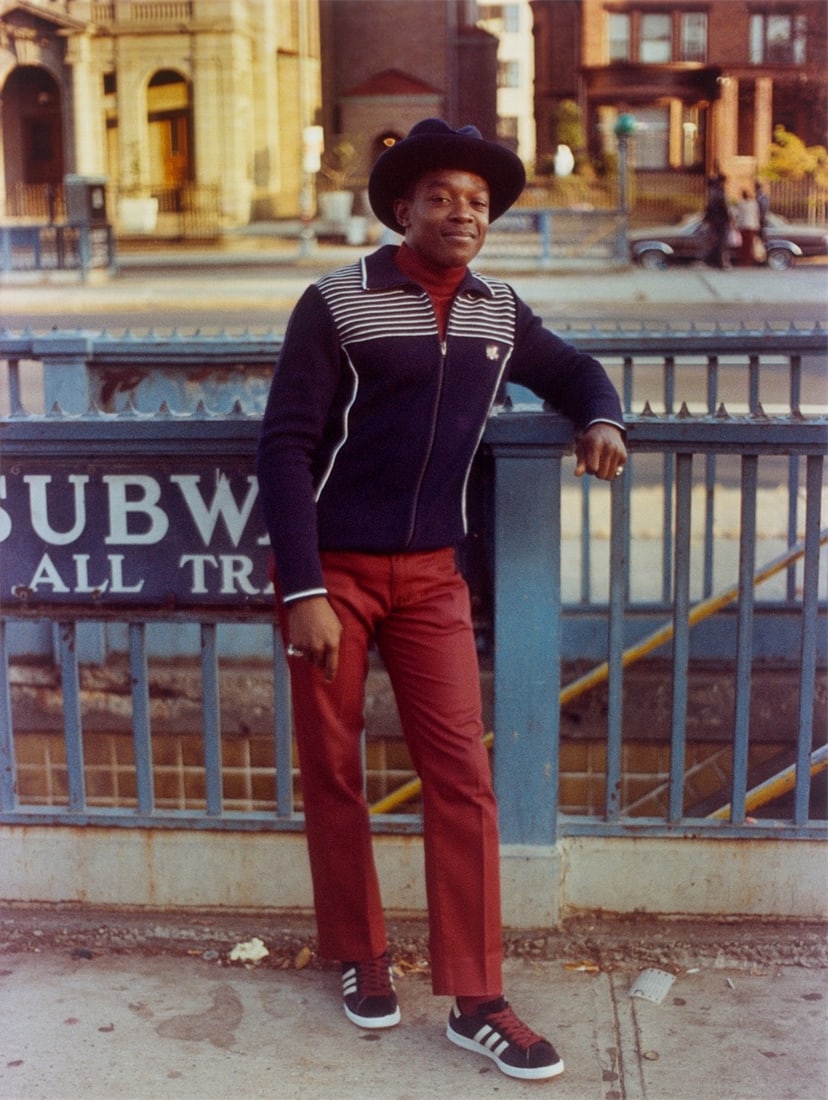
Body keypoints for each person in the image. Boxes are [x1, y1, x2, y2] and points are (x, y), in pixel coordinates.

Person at [256, 118, 626, 1082]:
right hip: (330, 571)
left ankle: (477, 997)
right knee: (334, 768)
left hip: (431, 577)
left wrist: (599, 417)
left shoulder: (500, 311)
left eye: (478, 201)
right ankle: (362, 958)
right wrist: (302, 587)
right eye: (441, 197)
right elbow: (286, 446)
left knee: (461, 777)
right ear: (402, 209)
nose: (463, 212)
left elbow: (573, 370)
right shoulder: (338, 303)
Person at [702, 173, 731, 269]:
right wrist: (728, 218)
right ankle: (718, 262)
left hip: (714, 219)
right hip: (720, 220)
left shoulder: (712, 191)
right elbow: (723, 206)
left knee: (716, 240)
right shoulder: (719, 191)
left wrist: (707, 218)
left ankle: (712, 261)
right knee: (721, 241)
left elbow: (709, 207)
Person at [735, 188, 761, 265]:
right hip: (752, 226)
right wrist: (757, 226)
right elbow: (757, 215)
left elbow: (738, 215)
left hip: (743, 226)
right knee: (750, 244)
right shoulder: (754, 203)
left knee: (744, 244)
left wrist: (737, 225)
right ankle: (750, 260)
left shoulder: (740, 203)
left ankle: (744, 260)